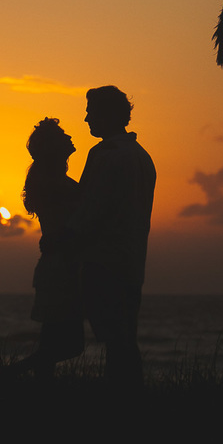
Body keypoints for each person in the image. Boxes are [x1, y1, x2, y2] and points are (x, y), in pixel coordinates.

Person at [69, 85, 156, 389]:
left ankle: (122, 396)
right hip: (132, 262)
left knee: (114, 338)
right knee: (123, 337)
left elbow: (90, 208)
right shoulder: (142, 157)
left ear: (107, 115)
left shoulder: (105, 155)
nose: (86, 119)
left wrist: (67, 240)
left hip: (103, 261)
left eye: (91, 113)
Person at [10, 117, 84, 377]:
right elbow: (68, 225)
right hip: (60, 270)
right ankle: (11, 373)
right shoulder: (53, 184)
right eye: (63, 135)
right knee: (72, 345)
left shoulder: (56, 180)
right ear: (54, 147)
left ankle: (37, 394)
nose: (69, 137)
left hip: (61, 267)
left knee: (52, 345)